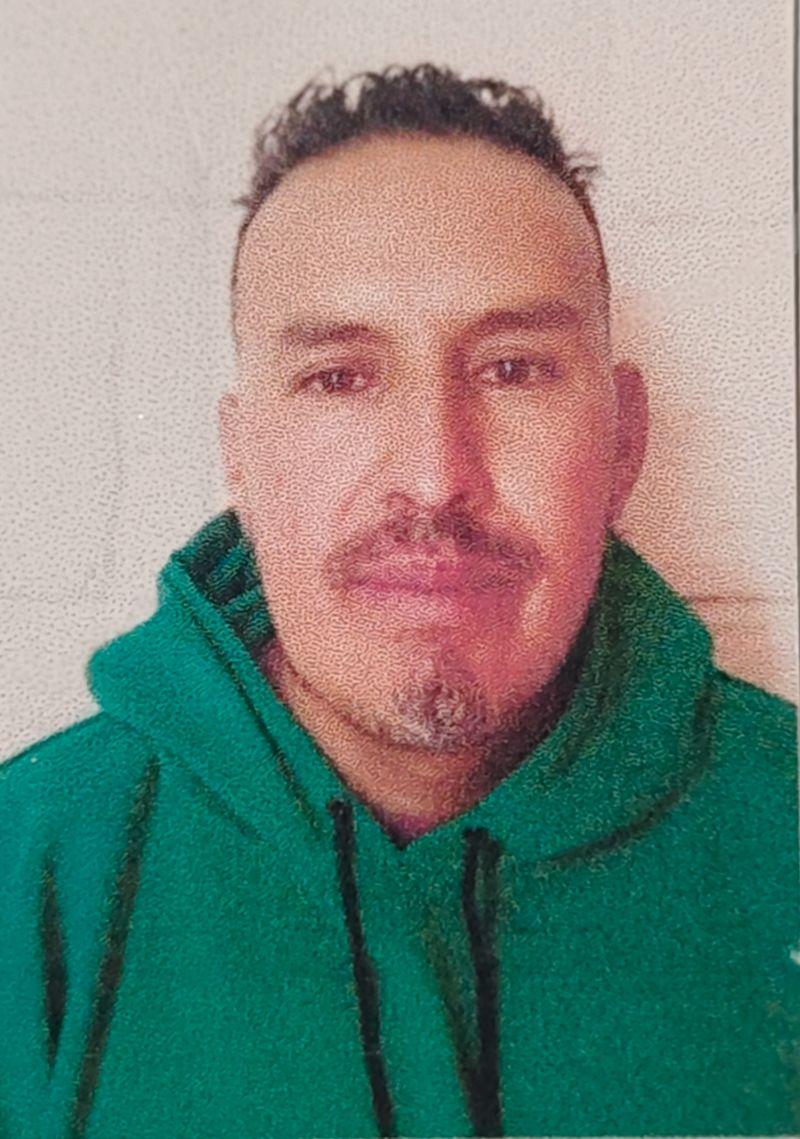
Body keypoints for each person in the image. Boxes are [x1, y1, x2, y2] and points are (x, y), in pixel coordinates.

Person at [1, 62, 797, 1139]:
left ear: (622, 442)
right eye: (338, 377)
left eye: (513, 369)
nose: (433, 476)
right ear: (241, 457)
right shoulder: (28, 871)